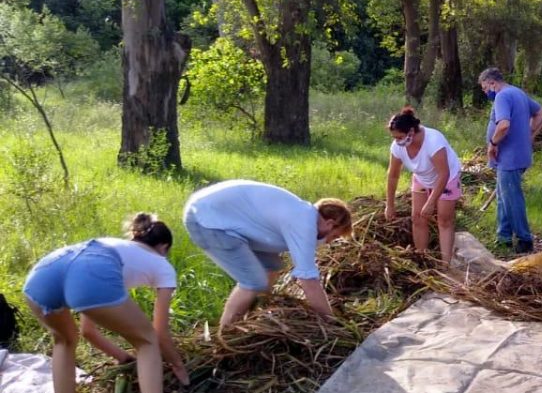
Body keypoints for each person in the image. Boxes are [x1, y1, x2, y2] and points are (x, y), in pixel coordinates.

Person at [22, 214, 189, 393]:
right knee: (147, 340)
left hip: (42, 274)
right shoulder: (162, 264)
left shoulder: (115, 249)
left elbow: (88, 332)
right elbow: (160, 333)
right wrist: (178, 364)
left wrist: (124, 358)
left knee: (64, 341)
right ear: (164, 247)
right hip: (90, 272)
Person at [183, 180, 353, 327]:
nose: (330, 241)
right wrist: (331, 322)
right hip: (207, 220)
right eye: (335, 236)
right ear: (330, 224)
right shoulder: (305, 222)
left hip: (217, 214)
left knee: (271, 267)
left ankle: (256, 315)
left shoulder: (303, 214)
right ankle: (225, 335)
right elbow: (308, 280)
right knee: (253, 281)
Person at [479, 67, 542, 254]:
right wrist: (529, 133)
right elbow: (539, 112)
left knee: (512, 199)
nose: (486, 93)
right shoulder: (518, 92)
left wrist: (493, 143)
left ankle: (524, 239)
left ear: (492, 83)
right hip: (519, 155)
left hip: (509, 157)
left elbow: (503, 125)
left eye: (485, 89)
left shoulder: (502, 96)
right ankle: (504, 238)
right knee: (504, 197)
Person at [384, 106, 464, 264]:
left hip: (446, 178)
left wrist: (431, 201)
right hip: (422, 176)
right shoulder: (397, 147)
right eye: (394, 138)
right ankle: (422, 258)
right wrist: (390, 205)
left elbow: (444, 174)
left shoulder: (434, 141)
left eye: (400, 137)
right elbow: (393, 176)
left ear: (411, 132)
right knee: (417, 218)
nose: (397, 141)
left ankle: (446, 265)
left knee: (444, 220)